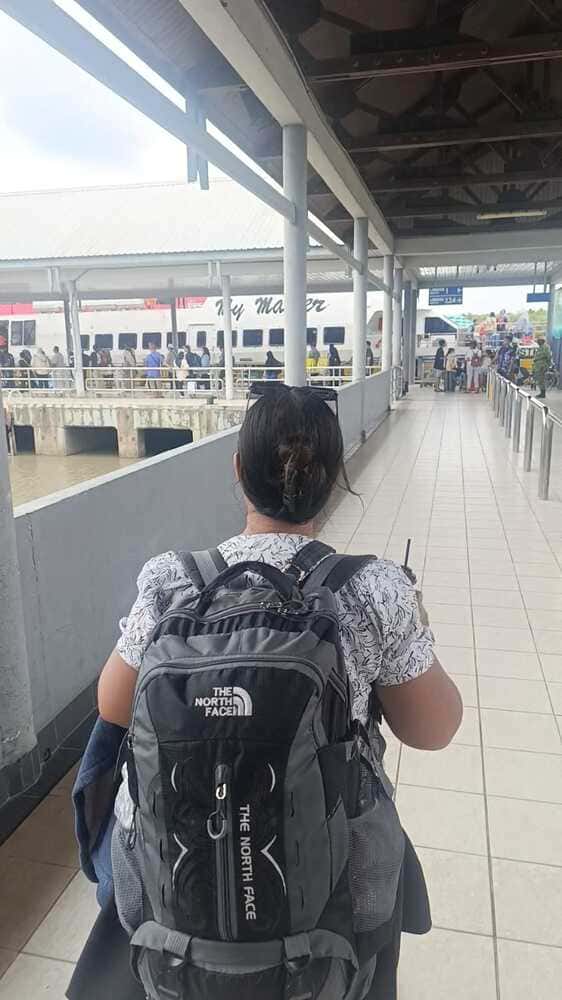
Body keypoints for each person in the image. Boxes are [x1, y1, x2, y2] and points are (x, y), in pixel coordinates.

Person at [88, 382, 462, 1000]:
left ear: (238, 471)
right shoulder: (374, 589)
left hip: (176, 901)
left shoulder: (169, 581)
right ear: (334, 475)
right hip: (333, 906)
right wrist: (411, 620)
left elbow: (113, 706)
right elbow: (435, 730)